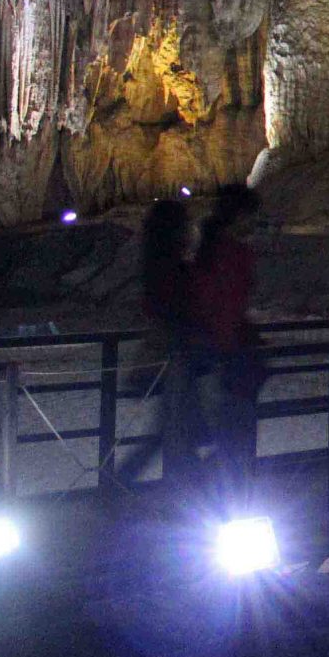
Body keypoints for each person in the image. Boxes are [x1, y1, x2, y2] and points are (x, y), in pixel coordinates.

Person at [115, 199, 199, 487]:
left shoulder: (155, 264)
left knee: (170, 433)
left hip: (169, 356)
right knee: (174, 433)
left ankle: (120, 484)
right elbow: (181, 309)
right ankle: (122, 484)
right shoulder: (173, 270)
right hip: (178, 358)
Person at [188, 183, 263, 487]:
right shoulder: (232, 254)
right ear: (240, 215)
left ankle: (214, 494)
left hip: (211, 355)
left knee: (221, 434)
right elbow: (225, 305)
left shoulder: (208, 250)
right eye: (250, 216)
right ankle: (231, 496)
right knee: (236, 435)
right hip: (226, 356)